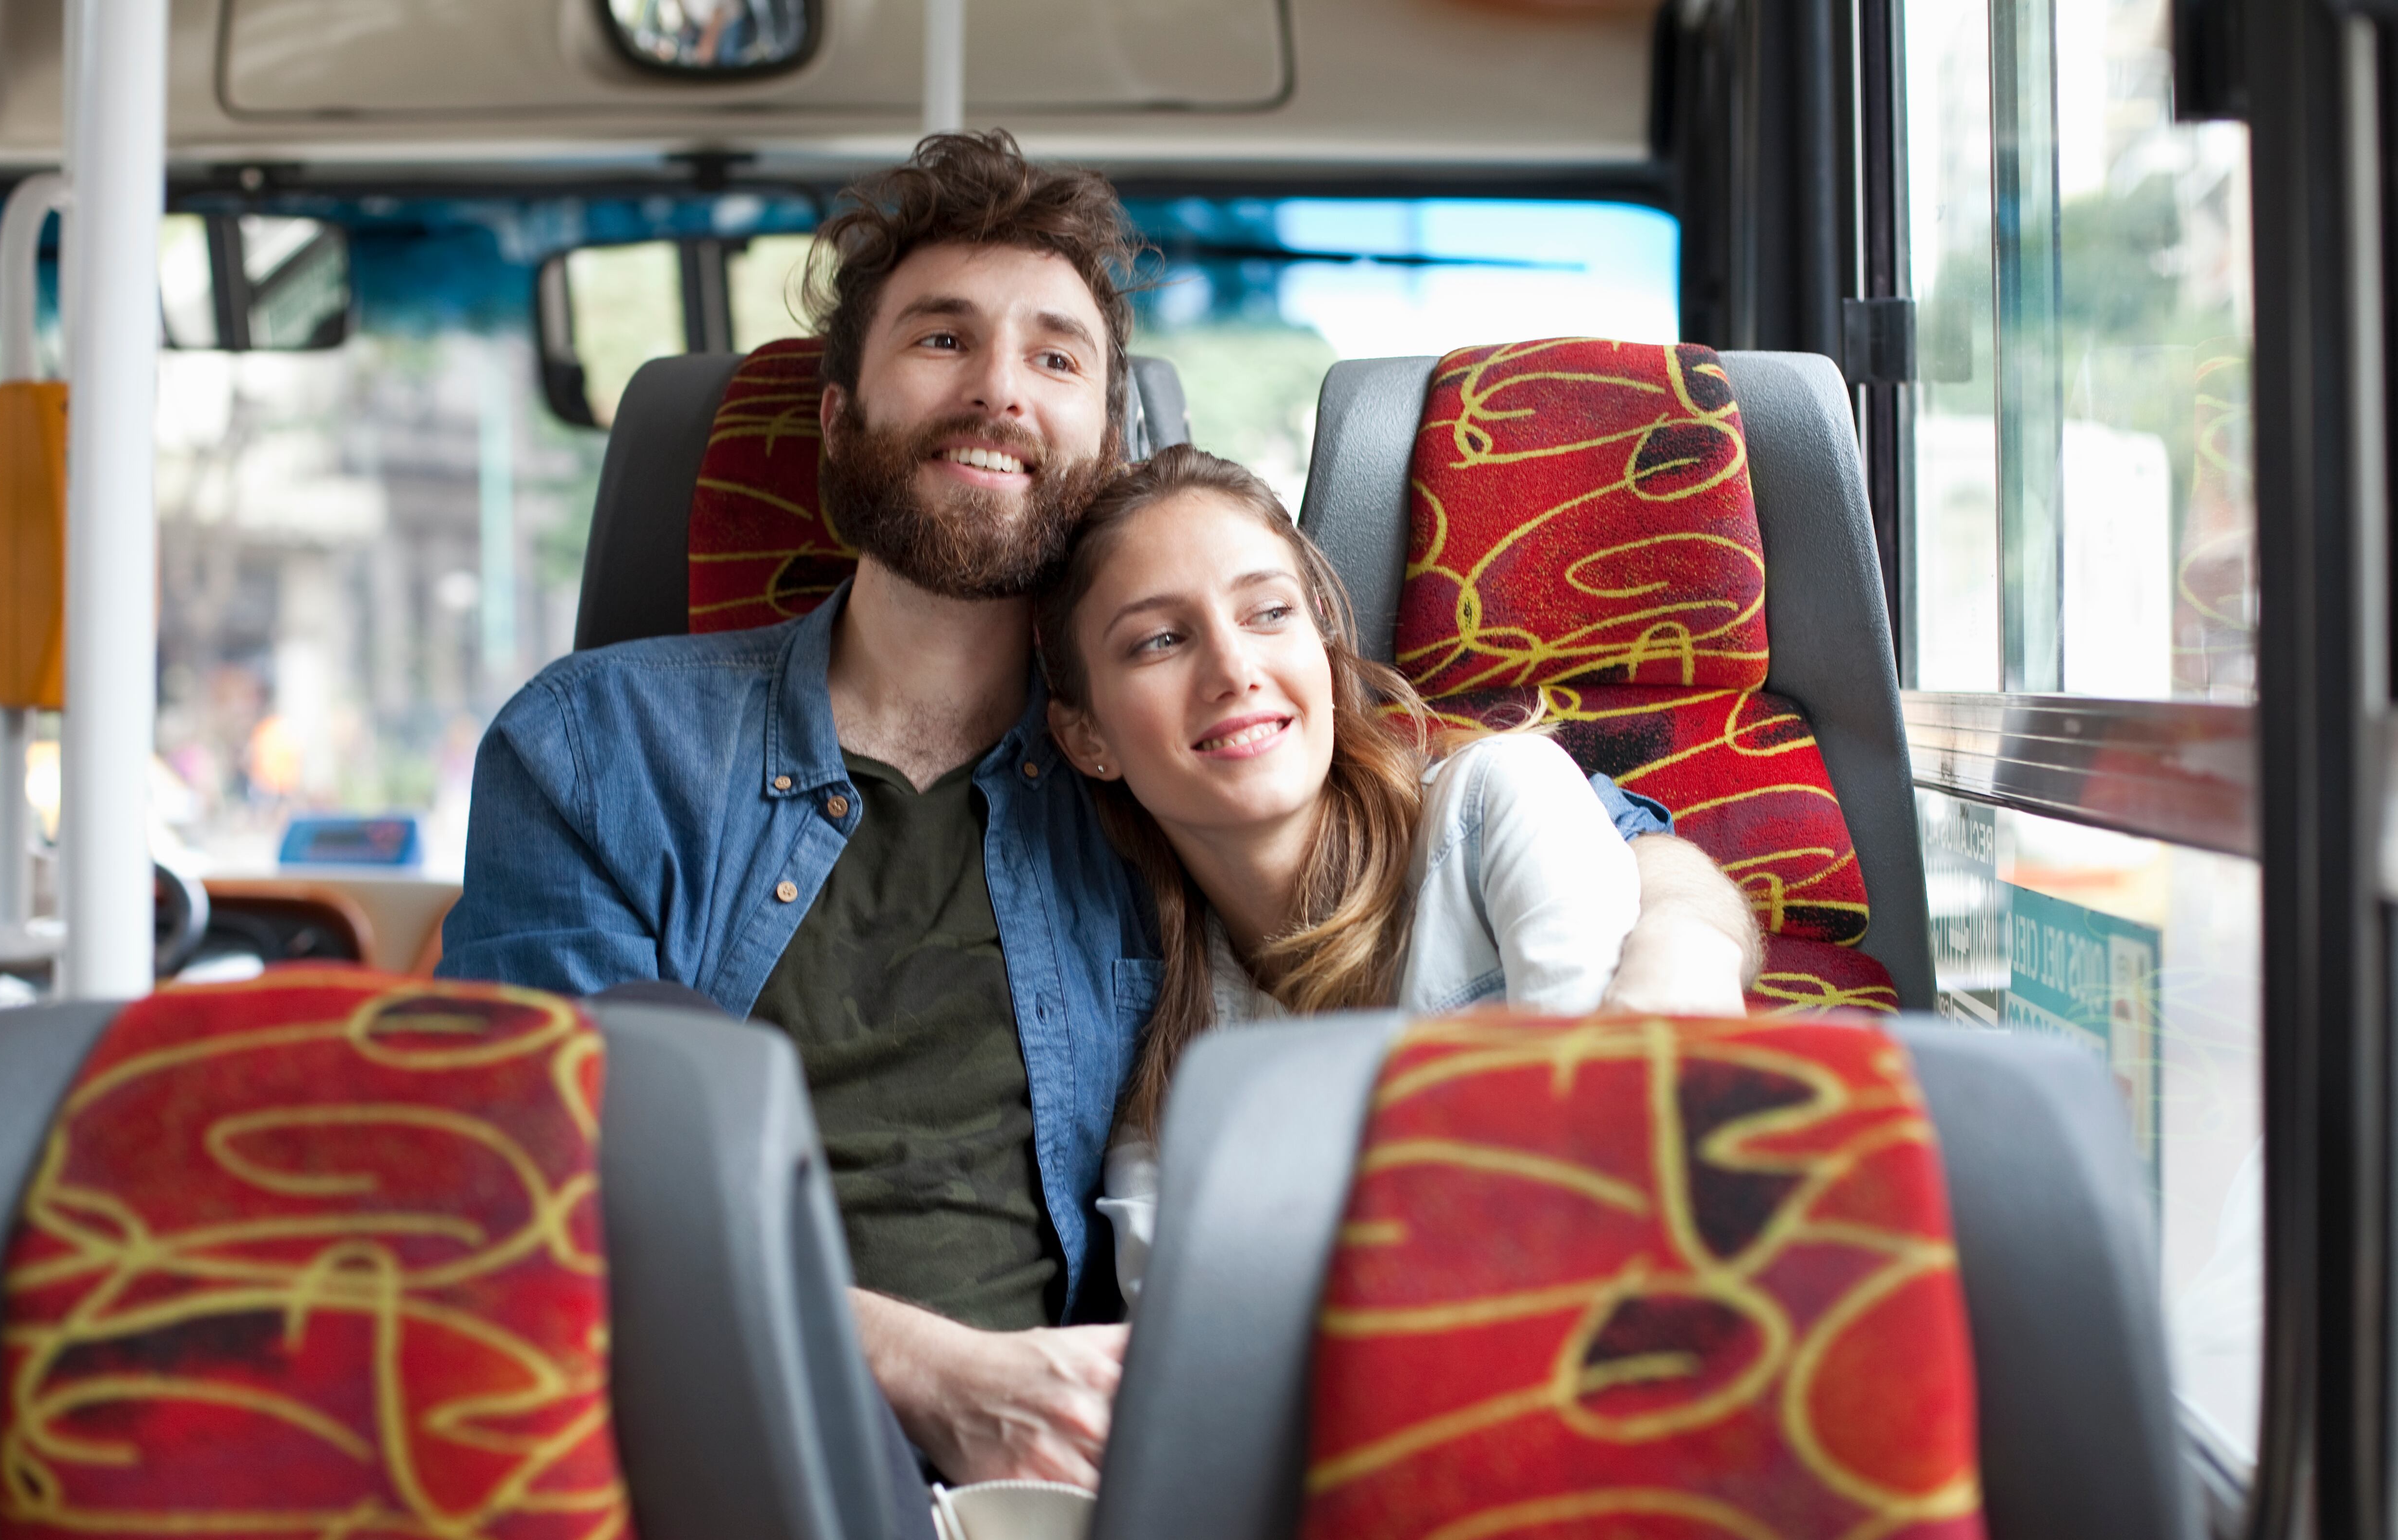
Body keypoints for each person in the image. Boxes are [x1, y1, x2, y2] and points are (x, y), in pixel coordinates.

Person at [439, 129, 1753, 1489]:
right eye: (942, 341)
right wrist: (929, 1373)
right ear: (841, 423)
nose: (1001, 391)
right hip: (693, 1433)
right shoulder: (602, 744)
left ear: (1110, 436)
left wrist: (1655, 1007)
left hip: (1077, 1473)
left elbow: (1594, 829)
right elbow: (522, 1179)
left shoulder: (1170, 751)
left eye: (1057, 357)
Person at [1036, 446, 1761, 1304]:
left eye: (1269, 612)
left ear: (1323, 646)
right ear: (1088, 738)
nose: (1234, 670)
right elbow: (1199, 1372)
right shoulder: (1168, 1088)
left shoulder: (1499, 805)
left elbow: (1614, 1189)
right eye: (1160, 640)